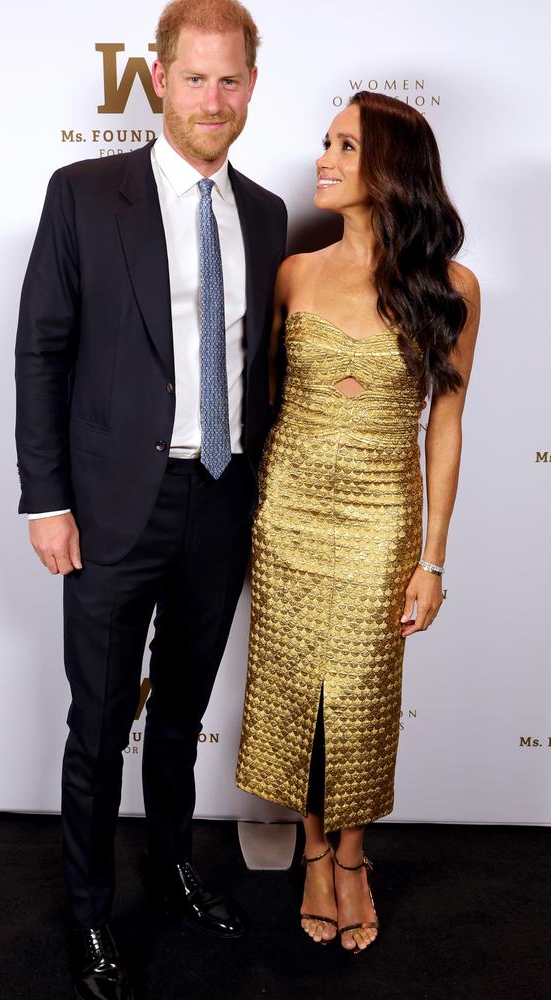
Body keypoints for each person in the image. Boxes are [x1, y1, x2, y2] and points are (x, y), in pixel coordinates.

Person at [14, 0, 287, 995]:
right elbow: (42, 350)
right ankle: (89, 914)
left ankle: (170, 866)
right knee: (98, 725)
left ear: (250, 86)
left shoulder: (262, 212)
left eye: (231, 80)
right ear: (157, 78)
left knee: (178, 715)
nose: (212, 99)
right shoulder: (85, 194)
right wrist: (45, 499)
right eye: (194, 77)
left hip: (218, 500)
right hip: (109, 507)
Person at [236, 90, 480, 954]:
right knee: (298, 690)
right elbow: (255, 401)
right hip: (290, 511)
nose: (324, 159)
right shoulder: (295, 272)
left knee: (363, 699)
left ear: (390, 170)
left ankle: (353, 855)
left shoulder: (451, 288)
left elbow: (444, 424)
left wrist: (434, 558)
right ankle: (310, 849)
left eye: (345, 146)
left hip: (382, 518)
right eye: (326, 142)